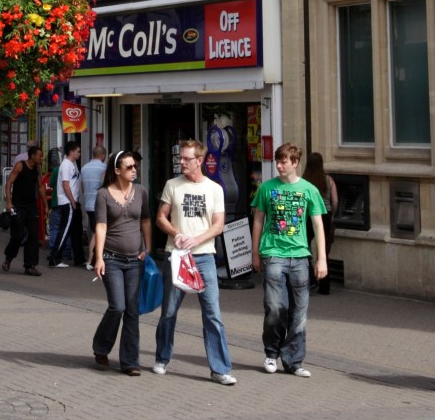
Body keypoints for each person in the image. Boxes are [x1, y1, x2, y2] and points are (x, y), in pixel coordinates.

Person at [153, 138, 234, 384]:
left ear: (199, 161)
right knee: (168, 311)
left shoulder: (214, 189)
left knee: (212, 313)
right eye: (181, 158)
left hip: (205, 258)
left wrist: (197, 239)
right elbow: (160, 217)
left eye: (187, 159)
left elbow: (219, 225)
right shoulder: (172, 185)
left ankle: (220, 369)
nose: (182, 162)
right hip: (176, 256)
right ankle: (162, 357)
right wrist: (176, 234)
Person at [249, 143, 327, 378]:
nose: (279, 166)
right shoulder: (266, 189)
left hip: (300, 257)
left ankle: (293, 360)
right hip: (273, 255)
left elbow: (317, 224)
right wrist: (254, 253)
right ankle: (272, 353)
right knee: (275, 307)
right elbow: (258, 221)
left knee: (299, 313)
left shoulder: (309, 190)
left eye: (284, 162)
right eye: (277, 161)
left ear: (295, 163)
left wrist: (321, 258)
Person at [91, 150, 152, 375]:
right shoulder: (104, 195)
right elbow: (101, 226)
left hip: (136, 259)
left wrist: (148, 247)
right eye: (129, 167)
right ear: (117, 170)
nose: (134, 170)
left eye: (135, 166)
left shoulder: (141, 192)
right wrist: (98, 257)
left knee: (132, 310)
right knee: (118, 306)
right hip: (111, 258)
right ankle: (101, 346)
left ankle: (130, 362)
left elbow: (145, 220)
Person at [3, 144, 44, 275]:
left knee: (33, 236)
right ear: (32, 156)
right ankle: (8, 258)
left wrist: (46, 204)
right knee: (18, 236)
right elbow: (9, 183)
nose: (41, 158)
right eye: (39, 155)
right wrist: (9, 202)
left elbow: (40, 186)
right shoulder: (20, 165)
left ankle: (30, 265)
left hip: (31, 206)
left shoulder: (37, 169)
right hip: (18, 206)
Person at [308, 151, 339, 295]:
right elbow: (335, 201)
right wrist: (332, 214)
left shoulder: (305, 180)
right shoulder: (328, 180)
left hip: (308, 215)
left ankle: (309, 278)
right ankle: (324, 286)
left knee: (303, 247)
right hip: (325, 214)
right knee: (323, 250)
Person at [49, 140, 82, 268]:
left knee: (75, 230)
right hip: (68, 202)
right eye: (78, 151)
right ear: (72, 151)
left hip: (73, 201)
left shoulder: (73, 164)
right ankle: (54, 258)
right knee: (64, 230)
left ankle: (79, 258)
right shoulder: (66, 165)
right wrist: (72, 201)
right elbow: (65, 184)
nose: (79, 154)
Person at [79, 143, 108, 258]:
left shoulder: (84, 168)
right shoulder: (104, 168)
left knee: (95, 232)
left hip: (88, 204)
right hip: (99, 205)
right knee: (98, 233)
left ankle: (95, 257)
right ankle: (92, 259)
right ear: (103, 155)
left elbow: (82, 187)